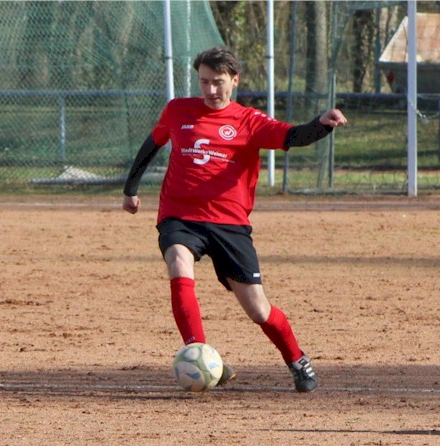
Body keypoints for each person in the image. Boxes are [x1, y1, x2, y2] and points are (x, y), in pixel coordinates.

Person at [122, 46, 347, 392]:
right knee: (179, 263)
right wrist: (131, 188)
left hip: (229, 223)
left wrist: (321, 125)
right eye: (205, 82)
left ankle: (297, 359)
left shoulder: (249, 121)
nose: (211, 90)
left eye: (218, 82)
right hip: (180, 215)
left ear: (235, 80)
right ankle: (200, 355)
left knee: (258, 309)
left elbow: (292, 135)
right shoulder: (178, 110)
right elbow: (151, 144)